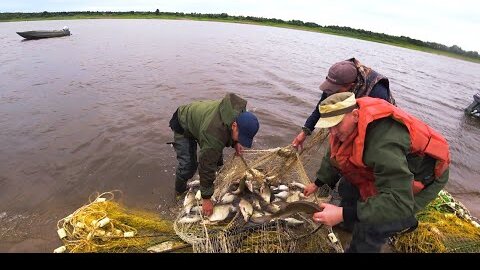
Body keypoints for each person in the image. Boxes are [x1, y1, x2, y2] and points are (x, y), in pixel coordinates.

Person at [304, 92, 450, 253]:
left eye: (336, 125)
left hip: (422, 175)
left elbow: (398, 200)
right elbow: (334, 154)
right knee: (348, 187)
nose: (332, 132)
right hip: (388, 166)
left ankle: (404, 222)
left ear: (355, 115)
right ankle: (349, 223)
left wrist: (343, 213)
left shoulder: (383, 143)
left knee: (373, 226)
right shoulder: (345, 126)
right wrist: (318, 183)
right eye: (329, 126)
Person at [169, 93, 260, 216]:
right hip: (183, 123)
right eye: (241, 137)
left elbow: (230, 133)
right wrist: (206, 198)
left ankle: (208, 184)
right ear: (234, 126)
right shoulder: (214, 135)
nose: (243, 140)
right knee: (188, 166)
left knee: (215, 158)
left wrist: (236, 142)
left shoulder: (239, 114)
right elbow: (206, 165)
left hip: (203, 122)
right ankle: (179, 192)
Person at [292, 58, 395, 151]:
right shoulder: (337, 79)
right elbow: (321, 108)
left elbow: (378, 127)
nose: (331, 92)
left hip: (377, 121)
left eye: (335, 90)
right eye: (330, 87)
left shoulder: (377, 91)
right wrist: (304, 132)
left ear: (350, 86)